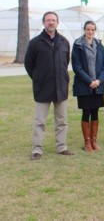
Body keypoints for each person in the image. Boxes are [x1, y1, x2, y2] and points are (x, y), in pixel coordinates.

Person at [25, 11, 73, 160]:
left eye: (53, 20)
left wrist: (62, 79)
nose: (51, 23)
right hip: (43, 88)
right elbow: (28, 64)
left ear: (57, 23)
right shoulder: (35, 43)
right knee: (40, 122)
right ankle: (37, 149)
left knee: (62, 121)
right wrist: (38, 78)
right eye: (48, 20)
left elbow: (65, 62)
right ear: (43, 23)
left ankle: (61, 147)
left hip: (60, 88)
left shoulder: (64, 42)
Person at [71, 20, 104, 152]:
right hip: (84, 86)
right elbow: (77, 67)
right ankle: (87, 142)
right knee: (86, 112)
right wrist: (89, 81)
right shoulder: (77, 45)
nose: (90, 32)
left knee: (95, 112)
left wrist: (99, 80)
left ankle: (94, 141)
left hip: (98, 86)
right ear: (84, 30)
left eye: (93, 30)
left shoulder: (99, 44)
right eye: (88, 29)